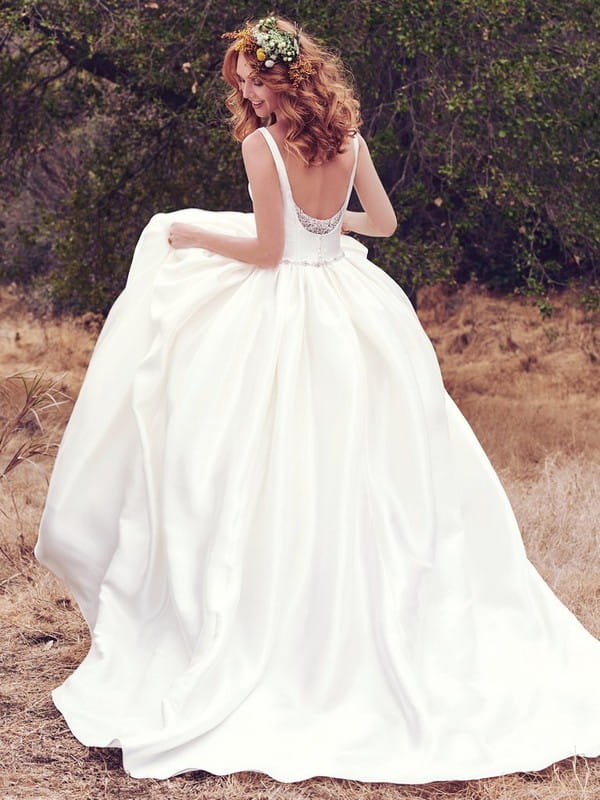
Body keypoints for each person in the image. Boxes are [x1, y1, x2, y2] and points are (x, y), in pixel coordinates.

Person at [35, 15, 600, 784]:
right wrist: (330, 229)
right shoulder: (351, 142)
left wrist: (197, 237)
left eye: (253, 82)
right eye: (242, 86)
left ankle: (278, 629)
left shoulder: (262, 147)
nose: (248, 97)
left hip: (288, 317)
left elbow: (269, 252)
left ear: (283, 79)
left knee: (265, 464)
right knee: (359, 470)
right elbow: (386, 224)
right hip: (353, 305)